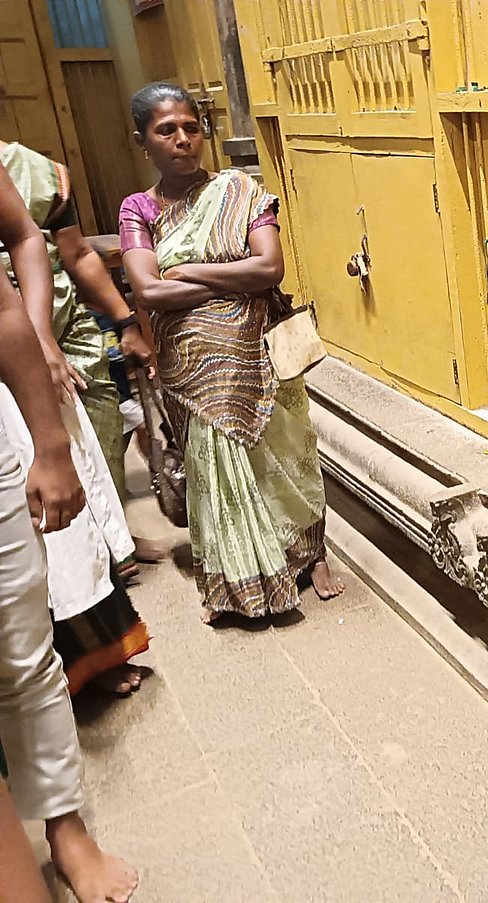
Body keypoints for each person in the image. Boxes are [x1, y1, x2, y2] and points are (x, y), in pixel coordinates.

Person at [120, 82, 344, 623]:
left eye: (191, 127)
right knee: (216, 467)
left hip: (257, 352)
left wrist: (190, 271)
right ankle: (243, 577)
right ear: (142, 141)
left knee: (286, 454)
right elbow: (148, 291)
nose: (182, 140)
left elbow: (269, 269)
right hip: (190, 367)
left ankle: (308, 553)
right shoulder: (139, 209)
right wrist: (231, 280)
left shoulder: (242, 192)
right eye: (166, 130)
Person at [0, 161, 138, 903]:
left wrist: (48, 444)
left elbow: (27, 257)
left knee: (21, 653)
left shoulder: (36, 174)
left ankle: (65, 828)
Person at [0, 140, 151, 696]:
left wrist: (49, 340)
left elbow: (62, 251)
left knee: (70, 503)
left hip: (44, 345)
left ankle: (98, 652)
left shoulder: (42, 175)